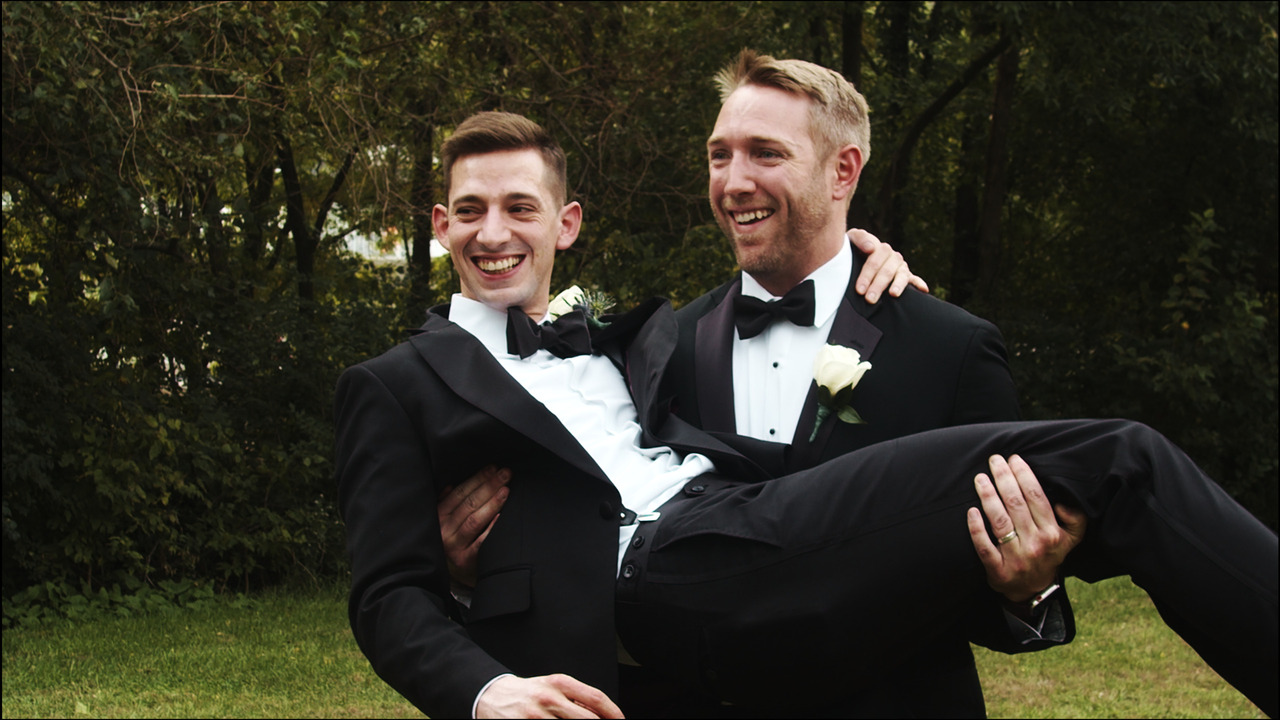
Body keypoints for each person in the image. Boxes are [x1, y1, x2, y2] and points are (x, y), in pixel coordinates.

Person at [334, 110, 1278, 719]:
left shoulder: (637, 339)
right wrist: (484, 686)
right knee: (1122, 458)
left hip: (753, 547)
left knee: (1113, 473)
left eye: (518, 208)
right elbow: (386, 595)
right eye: (470, 211)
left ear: (565, 223)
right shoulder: (396, 382)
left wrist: (872, 272)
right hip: (660, 577)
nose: (494, 234)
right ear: (439, 225)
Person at [439, 50, 1078, 717]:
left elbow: (985, 581)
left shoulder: (947, 348)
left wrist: (1025, 590)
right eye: (720, 156)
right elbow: (602, 543)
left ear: (843, 171)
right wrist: (468, 572)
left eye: (764, 154)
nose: (733, 181)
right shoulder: (654, 353)